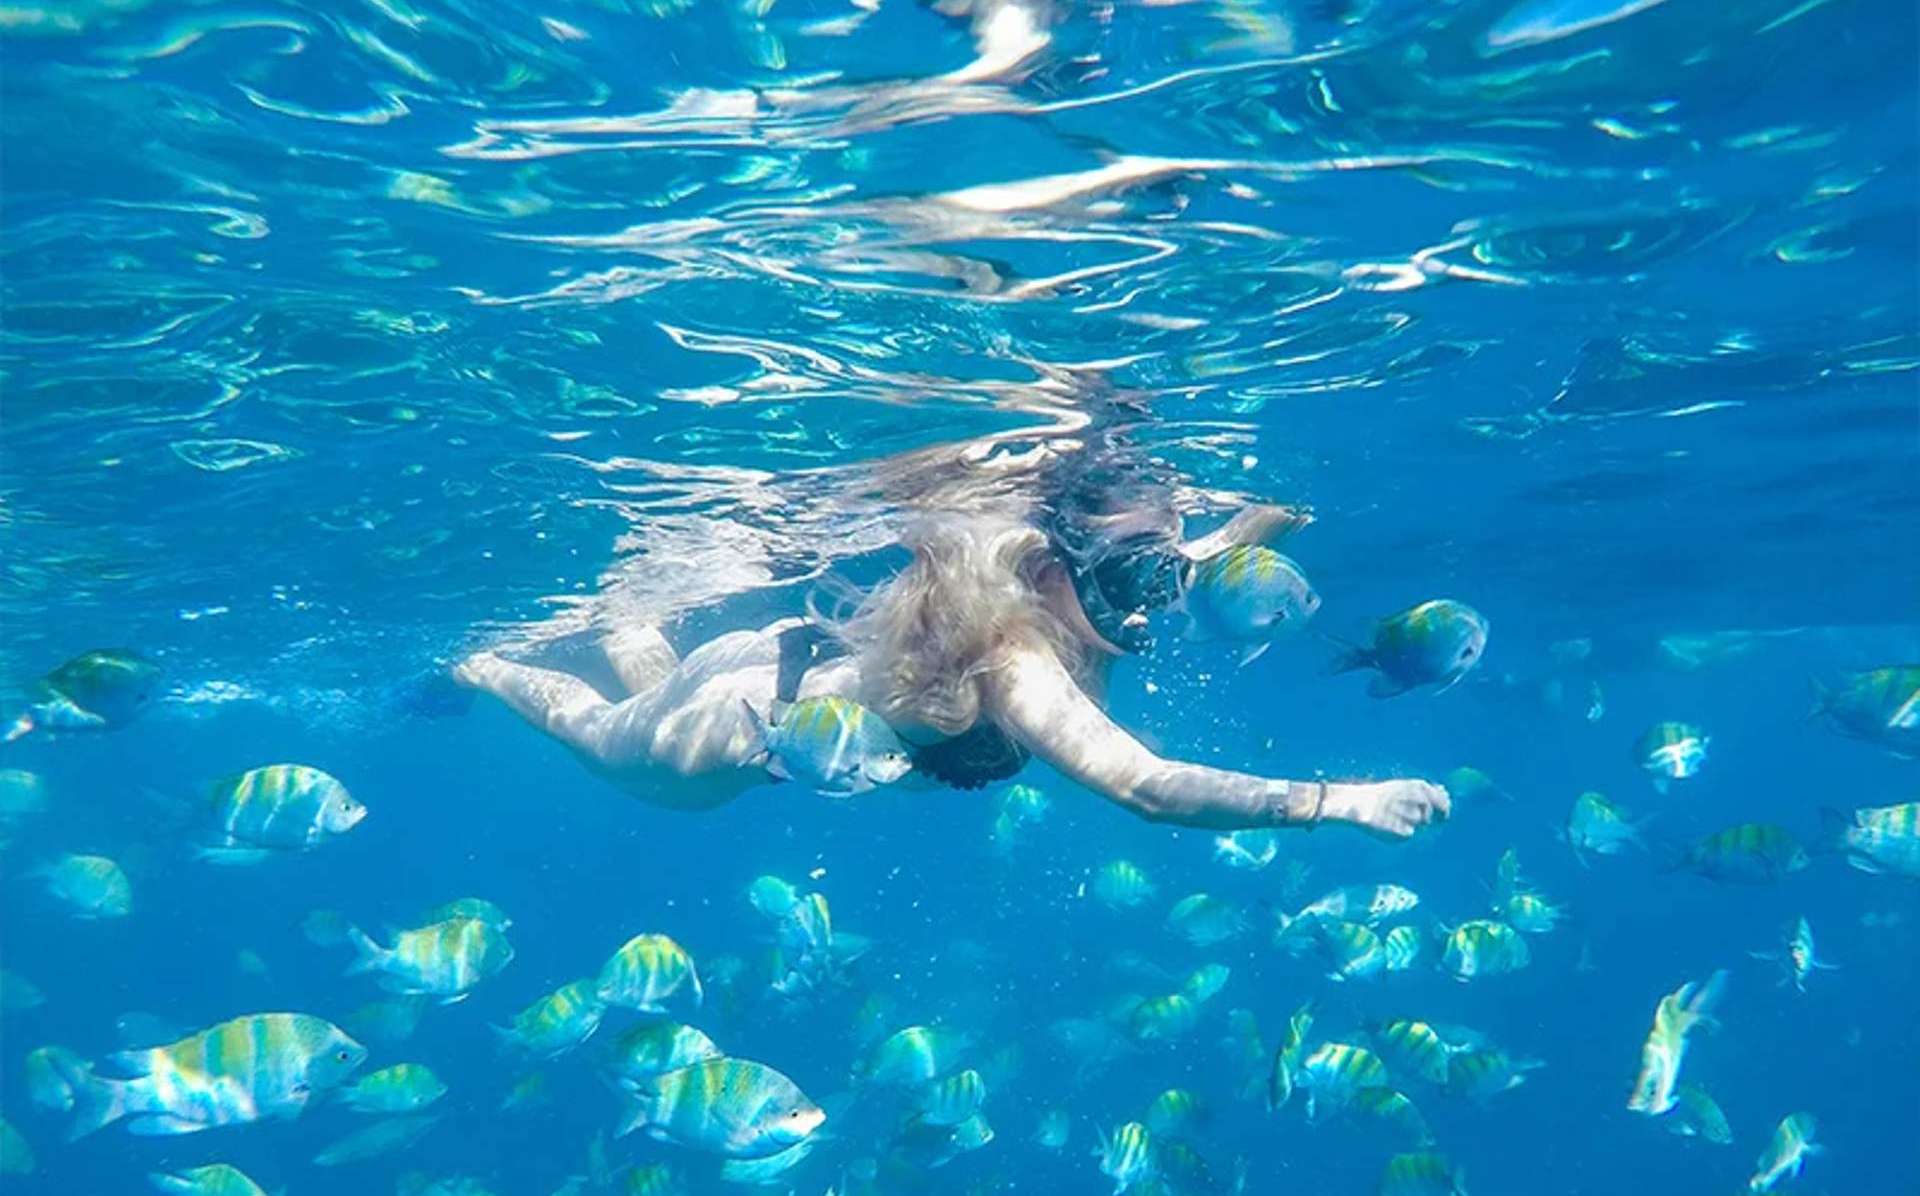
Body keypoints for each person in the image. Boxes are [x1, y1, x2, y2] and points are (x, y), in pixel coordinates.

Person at [451, 429, 1450, 840]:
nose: (1152, 604)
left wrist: (1260, 526)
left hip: (790, 672)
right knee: (599, 731)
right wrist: (1337, 803)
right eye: (1130, 579)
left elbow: (1198, 556)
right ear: (1055, 568)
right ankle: (480, 663)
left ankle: (626, 612)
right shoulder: (1014, 657)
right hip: (736, 726)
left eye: (1158, 573)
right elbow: (1145, 785)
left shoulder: (1101, 579)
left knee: (648, 679)